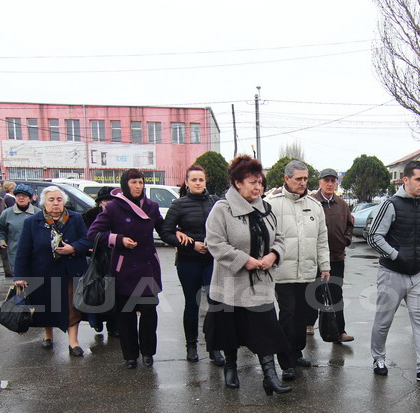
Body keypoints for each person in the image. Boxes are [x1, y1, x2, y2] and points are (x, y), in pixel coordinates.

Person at [203, 155, 292, 396]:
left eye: (260, 182)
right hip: (230, 284)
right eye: (252, 182)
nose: (258, 187)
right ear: (237, 183)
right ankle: (230, 368)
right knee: (229, 330)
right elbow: (215, 243)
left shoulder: (266, 209)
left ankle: (270, 376)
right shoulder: (222, 209)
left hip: (260, 284)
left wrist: (274, 254)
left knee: (265, 329)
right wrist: (245, 260)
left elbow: (280, 238)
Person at [367, 160, 420, 382]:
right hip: (391, 274)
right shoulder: (390, 205)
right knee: (384, 321)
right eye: (418, 179)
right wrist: (396, 255)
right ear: (406, 180)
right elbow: (374, 237)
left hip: (418, 276)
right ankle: (378, 358)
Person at [88, 169, 164, 369]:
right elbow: (94, 233)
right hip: (124, 268)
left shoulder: (152, 206)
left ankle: (148, 353)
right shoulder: (114, 207)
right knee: (125, 314)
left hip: (147, 267)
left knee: (149, 313)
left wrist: (180, 235)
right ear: (125, 185)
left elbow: (164, 229)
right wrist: (118, 239)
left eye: (140, 182)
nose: (138, 186)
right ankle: (130, 355)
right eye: (133, 182)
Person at [264, 159, 330, 380]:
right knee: (288, 314)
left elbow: (322, 239)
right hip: (283, 273)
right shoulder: (272, 204)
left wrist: (325, 265)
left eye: (305, 179)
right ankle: (286, 361)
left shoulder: (315, 206)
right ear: (287, 178)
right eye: (298, 179)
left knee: (303, 315)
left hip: (307, 271)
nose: (303, 183)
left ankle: (297, 351)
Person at [13, 187, 91, 355]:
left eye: (59, 199)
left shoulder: (75, 218)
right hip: (43, 272)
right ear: (44, 203)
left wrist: (73, 248)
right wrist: (20, 276)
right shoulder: (32, 222)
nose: (56, 203)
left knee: (72, 307)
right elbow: (23, 251)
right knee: (47, 306)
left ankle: (73, 343)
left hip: (70, 272)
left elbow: (87, 240)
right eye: (51, 200)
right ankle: (48, 335)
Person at [160, 164, 224, 365]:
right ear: (186, 182)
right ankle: (191, 346)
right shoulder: (179, 205)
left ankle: (215, 346)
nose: (198, 183)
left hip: (212, 260)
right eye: (194, 180)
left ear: (206, 181)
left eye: (201, 179)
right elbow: (166, 233)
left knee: (215, 302)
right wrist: (190, 245)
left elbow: (226, 227)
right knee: (192, 303)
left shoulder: (216, 202)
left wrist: (214, 244)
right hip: (188, 261)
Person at [307, 168, 355, 343]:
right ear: (319, 182)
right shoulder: (311, 202)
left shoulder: (342, 204)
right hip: (315, 258)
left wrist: (345, 240)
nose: (329, 184)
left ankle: (339, 332)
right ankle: (309, 323)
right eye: (326, 180)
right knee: (315, 293)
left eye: (333, 180)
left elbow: (349, 225)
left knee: (336, 294)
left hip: (336, 257)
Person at [81, 186, 118, 337]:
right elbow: (86, 235)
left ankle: (113, 325)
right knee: (96, 290)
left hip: (114, 257)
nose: (108, 203)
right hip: (96, 257)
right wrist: (89, 248)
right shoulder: (90, 215)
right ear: (100, 202)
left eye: (111, 200)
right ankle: (96, 321)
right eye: (105, 200)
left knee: (113, 292)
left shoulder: (119, 214)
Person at [0, 184, 37, 275]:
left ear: (29, 198)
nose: (21, 198)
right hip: (15, 252)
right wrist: (1, 241)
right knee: (19, 279)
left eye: (24, 196)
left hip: (35, 253)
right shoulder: (7, 213)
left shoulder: (38, 213)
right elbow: (0, 229)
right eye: (18, 195)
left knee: (35, 280)